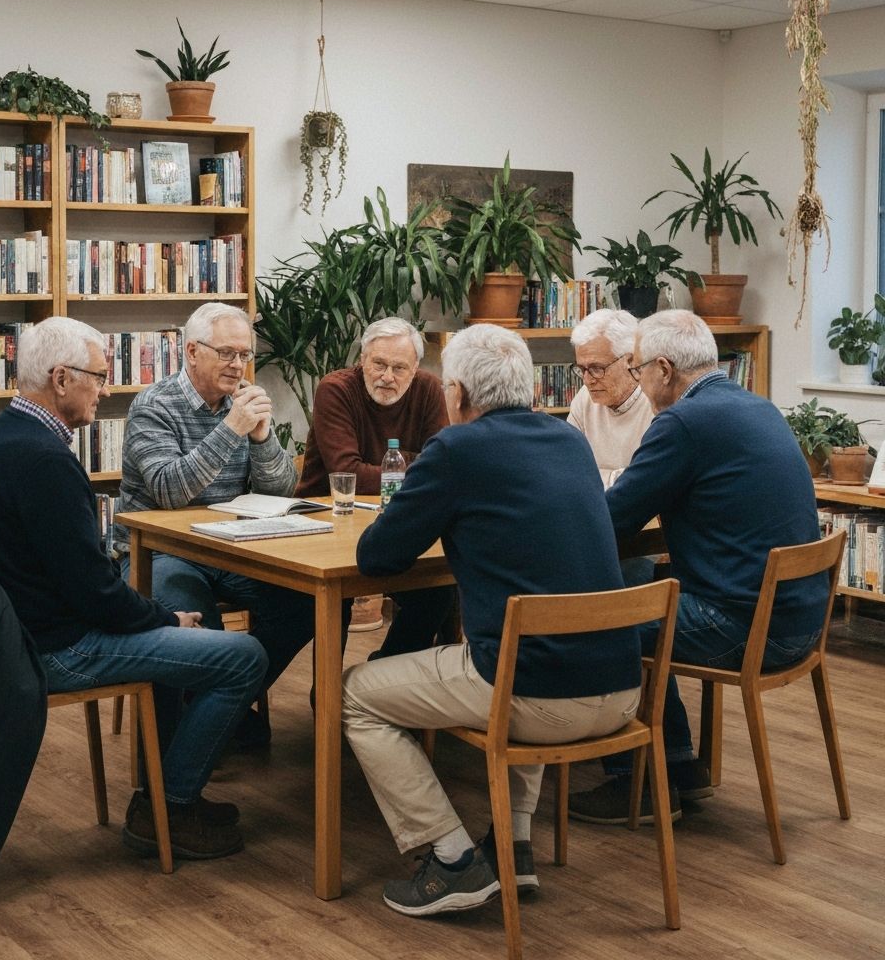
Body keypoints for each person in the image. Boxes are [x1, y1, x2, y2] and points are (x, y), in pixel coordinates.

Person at [341, 324, 641, 918]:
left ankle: (451, 857)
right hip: (623, 688)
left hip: (538, 697)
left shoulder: (456, 450)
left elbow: (377, 558)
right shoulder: (568, 439)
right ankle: (515, 844)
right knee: (524, 646)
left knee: (356, 695)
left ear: (455, 394)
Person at [0, 316, 267, 861]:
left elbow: (85, 583)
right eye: (98, 375)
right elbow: (95, 593)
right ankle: (170, 805)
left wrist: (154, 617)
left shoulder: (1, 436)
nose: (107, 387)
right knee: (244, 657)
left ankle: (166, 799)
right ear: (62, 378)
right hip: (52, 649)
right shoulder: (45, 460)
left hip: (14, 637)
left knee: (189, 638)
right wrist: (165, 620)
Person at [569, 310, 829, 824]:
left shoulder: (683, 422)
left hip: (745, 624)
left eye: (638, 368)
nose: (639, 380)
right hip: (799, 619)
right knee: (639, 588)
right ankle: (676, 766)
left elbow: (616, 517)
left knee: (600, 625)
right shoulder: (758, 407)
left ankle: (639, 783)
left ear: (664, 369)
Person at [116, 302, 313, 745]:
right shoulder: (153, 406)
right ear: (191, 352)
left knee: (305, 605)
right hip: (159, 551)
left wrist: (261, 437)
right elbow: (168, 491)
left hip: (232, 547)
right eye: (226, 353)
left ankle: (218, 712)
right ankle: (205, 729)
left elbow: (282, 490)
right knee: (201, 628)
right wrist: (231, 428)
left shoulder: (242, 401)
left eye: (244, 355)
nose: (237, 365)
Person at [297, 316, 454, 657]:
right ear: (362, 360)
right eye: (379, 364)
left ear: (414, 370)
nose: (387, 377)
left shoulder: (428, 389)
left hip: (395, 521)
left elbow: (442, 466)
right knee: (334, 596)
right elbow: (346, 472)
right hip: (325, 524)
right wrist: (414, 461)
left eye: (399, 368)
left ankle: (382, 669)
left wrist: (396, 467)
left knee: (441, 587)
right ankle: (325, 698)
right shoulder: (336, 389)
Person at [568, 308, 653, 487]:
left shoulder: (658, 402)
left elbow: (649, 482)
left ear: (631, 362)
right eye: (581, 369)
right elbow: (567, 469)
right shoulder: (584, 398)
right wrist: (618, 477)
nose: (587, 380)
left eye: (597, 368)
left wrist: (596, 477)